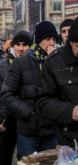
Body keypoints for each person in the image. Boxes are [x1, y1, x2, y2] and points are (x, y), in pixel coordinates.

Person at [0, 21, 59, 160]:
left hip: (52, 130)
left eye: (54, 39)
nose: (51, 43)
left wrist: (54, 63)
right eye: (47, 39)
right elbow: (6, 94)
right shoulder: (21, 63)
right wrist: (28, 112)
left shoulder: (57, 61)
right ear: (38, 40)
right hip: (28, 131)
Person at [0, 30, 32, 165]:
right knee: (4, 160)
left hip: (28, 122)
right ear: (12, 46)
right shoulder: (2, 66)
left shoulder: (34, 65)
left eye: (25, 45)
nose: (21, 49)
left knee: (26, 160)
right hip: (6, 123)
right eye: (18, 45)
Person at [36, 17, 78, 147]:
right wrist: (71, 112)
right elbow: (42, 102)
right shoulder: (54, 61)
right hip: (70, 142)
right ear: (70, 42)